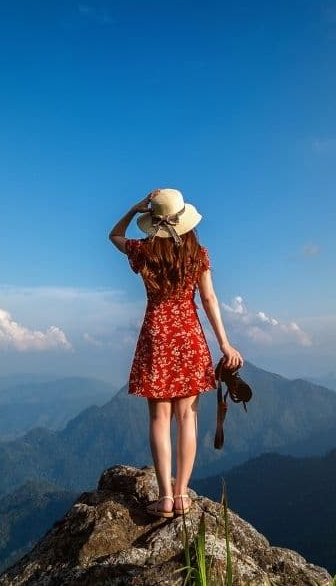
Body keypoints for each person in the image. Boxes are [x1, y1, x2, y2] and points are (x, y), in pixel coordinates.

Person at [109, 188, 244, 519]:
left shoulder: (142, 251)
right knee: (187, 417)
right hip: (188, 335)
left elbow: (114, 235)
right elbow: (209, 299)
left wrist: (132, 208)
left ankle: (166, 498)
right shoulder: (198, 253)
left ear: (152, 221)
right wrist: (225, 344)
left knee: (159, 418)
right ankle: (182, 496)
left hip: (156, 334)